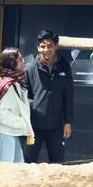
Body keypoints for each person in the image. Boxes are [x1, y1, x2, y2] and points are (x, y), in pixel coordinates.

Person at [22, 30, 73, 163]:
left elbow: (68, 94)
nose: (46, 49)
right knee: (27, 162)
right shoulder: (29, 67)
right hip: (33, 127)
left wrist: (68, 122)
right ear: (38, 47)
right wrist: (35, 106)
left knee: (57, 163)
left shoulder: (64, 66)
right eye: (42, 46)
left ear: (56, 46)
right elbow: (23, 95)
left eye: (49, 46)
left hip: (56, 125)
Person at [0, 48, 32, 163]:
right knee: (6, 171)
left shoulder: (14, 82)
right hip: (5, 133)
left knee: (18, 167)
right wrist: (22, 123)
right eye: (20, 59)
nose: (23, 61)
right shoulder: (7, 84)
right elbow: (1, 114)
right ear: (12, 63)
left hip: (11, 132)